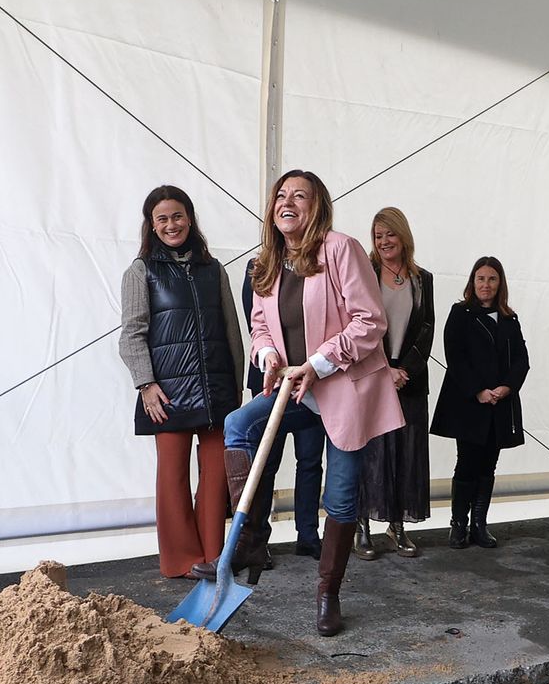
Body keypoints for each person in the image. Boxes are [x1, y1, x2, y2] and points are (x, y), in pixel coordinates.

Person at [191, 169, 402, 636]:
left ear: (317, 206)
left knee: (340, 498)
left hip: (342, 384)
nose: (287, 202)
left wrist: (320, 363)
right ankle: (247, 540)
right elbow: (260, 324)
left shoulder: (340, 249)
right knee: (240, 424)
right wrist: (268, 354)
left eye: (299, 196)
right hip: (293, 386)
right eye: (280, 195)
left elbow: (371, 321)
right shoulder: (267, 261)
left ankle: (329, 591)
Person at [117, 186, 242, 578]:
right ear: (151, 226)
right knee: (172, 480)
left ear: (190, 218)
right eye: (162, 219)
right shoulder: (141, 272)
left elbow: (232, 332)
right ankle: (182, 560)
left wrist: (236, 387)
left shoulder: (214, 270)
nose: (171, 224)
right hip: (166, 394)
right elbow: (131, 334)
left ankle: (213, 556)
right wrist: (145, 384)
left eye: (177, 216)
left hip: (217, 391)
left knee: (216, 476)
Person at [430, 257, 528, 548]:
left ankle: (479, 525)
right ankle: (458, 525)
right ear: (473, 282)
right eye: (481, 278)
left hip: (500, 403)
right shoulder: (460, 313)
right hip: (469, 404)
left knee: (489, 465)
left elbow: (522, 360)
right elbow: (455, 357)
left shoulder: (510, 318)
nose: (486, 285)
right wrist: (478, 391)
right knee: (467, 463)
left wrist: (507, 387)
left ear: (501, 284)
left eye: (492, 279)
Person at [356, 207, 435, 560]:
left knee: (406, 452)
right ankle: (362, 526)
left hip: (410, 382)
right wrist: (385, 368)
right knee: (372, 453)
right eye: (377, 235)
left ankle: (397, 526)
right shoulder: (365, 274)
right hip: (372, 377)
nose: (384, 241)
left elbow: (427, 328)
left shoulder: (423, 279)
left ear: (403, 236)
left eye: (390, 234)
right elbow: (360, 325)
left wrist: (406, 371)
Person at [242, 261, 326, 563]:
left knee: (311, 461)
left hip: (312, 382)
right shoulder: (259, 266)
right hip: (272, 381)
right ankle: (256, 541)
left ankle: (308, 535)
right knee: (265, 462)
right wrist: (272, 360)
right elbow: (257, 323)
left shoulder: (318, 266)